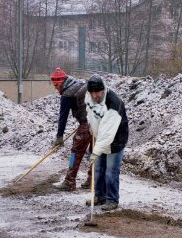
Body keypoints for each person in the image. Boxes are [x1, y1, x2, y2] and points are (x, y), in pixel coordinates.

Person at [85, 74, 129, 211]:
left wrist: (95, 151)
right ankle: (99, 196)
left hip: (115, 140)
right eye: (92, 93)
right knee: (98, 169)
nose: (94, 96)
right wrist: (91, 126)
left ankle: (112, 200)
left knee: (110, 171)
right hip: (101, 138)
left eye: (97, 92)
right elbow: (90, 112)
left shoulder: (113, 104)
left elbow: (108, 133)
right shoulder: (90, 96)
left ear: (103, 89)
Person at [50, 67, 93, 191]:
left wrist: (59, 137)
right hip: (99, 123)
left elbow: (63, 117)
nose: (56, 88)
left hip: (87, 124)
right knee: (95, 152)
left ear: (61, 83)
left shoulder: (67, 94)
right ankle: (92, 180)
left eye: (56, 85)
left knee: (76, 151)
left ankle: (69, 181)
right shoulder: (79, 84)